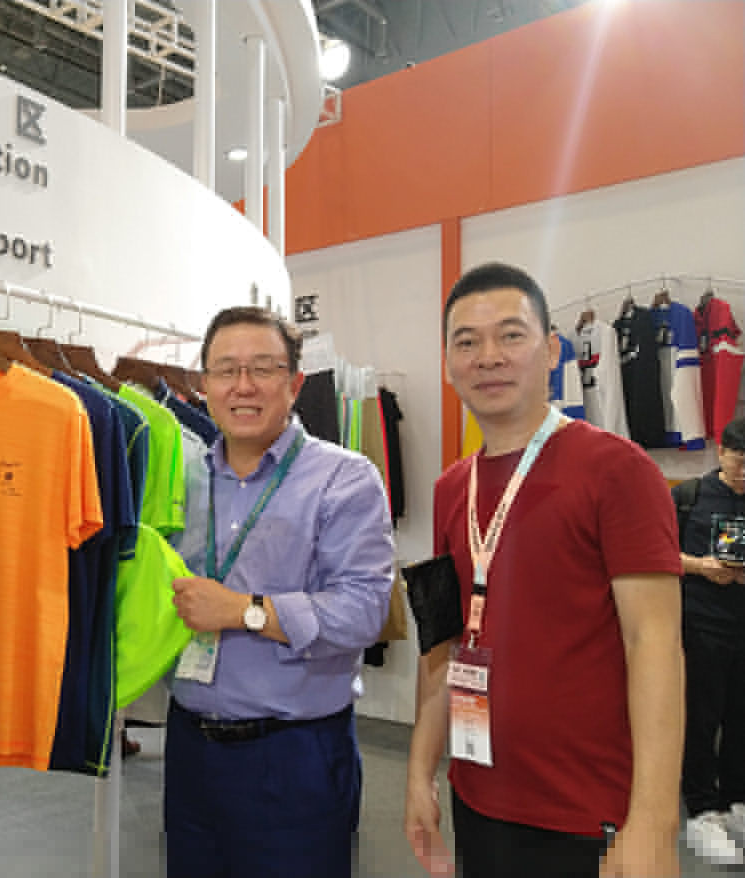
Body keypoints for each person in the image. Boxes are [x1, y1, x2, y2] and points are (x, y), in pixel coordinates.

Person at [404, 262, 684, 878]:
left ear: (552, 350)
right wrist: (421, 770)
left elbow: (655, 643)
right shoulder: (452, 488)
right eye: (467, 341)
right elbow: (443, 642)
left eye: (511, 335)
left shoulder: (618, 470)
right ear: (448, 362)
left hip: (587, 811)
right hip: (478, 796)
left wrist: (654, 824)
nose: (488, 356)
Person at [165, 305, 395, 878]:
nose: (243, 386)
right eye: (226, 370)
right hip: (190, 748)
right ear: (203, 385)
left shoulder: (345, 478)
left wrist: (243, 612)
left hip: (294, 755)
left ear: (294, 383)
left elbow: (363, 611)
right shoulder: (181, 476)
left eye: (263, 369)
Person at [675, 416, 745, 865]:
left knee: (741, 719)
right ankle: (701, 809)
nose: (744, 473)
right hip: (700, 627)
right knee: (700, 720)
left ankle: (737, 801)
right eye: (738, 461)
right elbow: (657, 551)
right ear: (721, 453)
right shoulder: (690, 496)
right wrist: (702, 566)